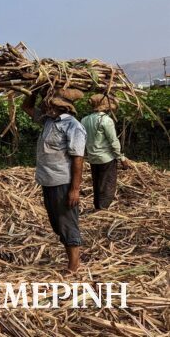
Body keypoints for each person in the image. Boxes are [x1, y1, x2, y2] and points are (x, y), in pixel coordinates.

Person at [22, 88, 87, 273]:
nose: (46, 106)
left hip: (63, 182)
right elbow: (26, 107)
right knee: (57, 224)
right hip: (47, 180)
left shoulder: (73, 126)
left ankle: (73, 267)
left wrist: (75, 189)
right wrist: (33, 89)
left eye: (49, 103)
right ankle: (71, 260)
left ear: (61, 107)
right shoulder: (49, 121)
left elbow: (78, 158)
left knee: (67, 222)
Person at [81, 94, 130, 210]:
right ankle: (103, 210)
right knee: (107, 185)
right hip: (106, 158)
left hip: (93, 158)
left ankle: (98, 207)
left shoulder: (84, 120)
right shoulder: (106, 120)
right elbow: (113, 141)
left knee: (97, 184)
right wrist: (121, 158)